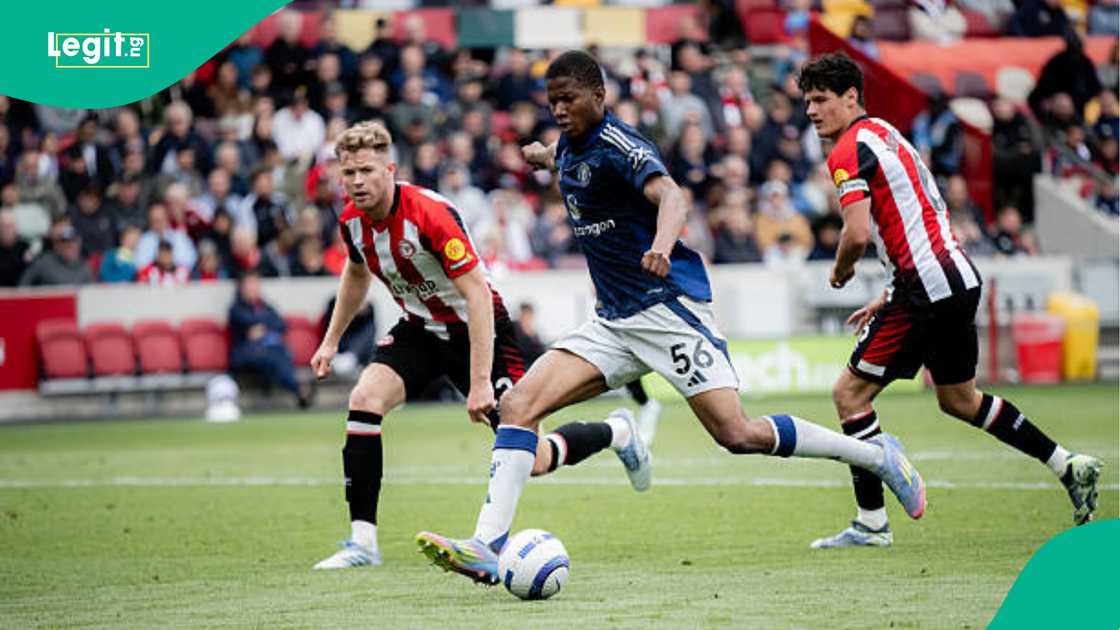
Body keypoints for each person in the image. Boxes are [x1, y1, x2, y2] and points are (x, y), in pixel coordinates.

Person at [415, 50, 927, 585]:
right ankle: (486, 547)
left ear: (600, 96)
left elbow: (673, 198)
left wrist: (661, 245)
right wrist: (545, 156)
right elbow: (566, 160)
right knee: (518, 405)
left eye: (569, 99)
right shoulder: (569, 145)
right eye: (553, 102)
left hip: (667, 311)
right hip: (614, 321)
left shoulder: (622, 145)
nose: (560, 110)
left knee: (737, 433)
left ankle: (876, 457)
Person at [797, 53, 1102, 549]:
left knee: (849, 396)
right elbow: (918, 217)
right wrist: (891, 292)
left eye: (820, 100)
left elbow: (855, 234)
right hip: (955, 277)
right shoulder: (888, 134)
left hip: (925, 285)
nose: (811, 111)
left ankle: (872, 523)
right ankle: (1066, 464)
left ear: (851, 96)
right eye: (807, 102)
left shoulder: (848, 150)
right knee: (959, 400)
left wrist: (841, 271)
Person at [308, 121, 645, 570]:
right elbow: (355, 273)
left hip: (480, 330)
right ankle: (363, 543)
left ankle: (616, 432)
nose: (356, 182)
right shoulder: (351, 220)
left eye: (366, 171)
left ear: (390, 169)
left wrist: (480, 382)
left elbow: (478, 296)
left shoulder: (430, 214)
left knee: (538, 458)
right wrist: (331, 341)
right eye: (348, 173)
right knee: (365, 400)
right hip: (421, 330)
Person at [228, 270, 311, 408]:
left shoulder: (265, 306)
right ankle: (298, 388)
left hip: (270, 351)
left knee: (281, 353)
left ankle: (294, 388)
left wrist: (262, 327)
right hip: (245, 354)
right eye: (249, 284)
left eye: (255, 284)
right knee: (272, 357)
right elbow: (246, 321)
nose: (253, 288)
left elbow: (281, 324)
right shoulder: (236, 309)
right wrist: (267, 324)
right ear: (241, 287)